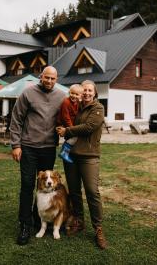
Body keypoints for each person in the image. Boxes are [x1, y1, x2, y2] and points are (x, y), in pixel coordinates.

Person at [10, 66, 66, 246]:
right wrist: (16, 145)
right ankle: (25, 225)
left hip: (48, 148)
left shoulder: (60, 96)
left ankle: (37, 218)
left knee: (44, 186)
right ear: (41, 77)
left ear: (57, 79)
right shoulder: (28, 93)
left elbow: (66, 118)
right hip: (28, 147)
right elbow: (16, 119)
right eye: (46, 77)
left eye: (53, 78)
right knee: (27, 185)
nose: (49, 81)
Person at [56, 80, 107, 249]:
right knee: (75, 191)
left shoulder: (97, 108)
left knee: (92, 192)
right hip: (71, 156)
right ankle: (79, 220)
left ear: (95, 93)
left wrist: (67, 131)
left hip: (89, 156)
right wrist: (60, 127)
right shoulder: (75, 105)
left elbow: (89, 127)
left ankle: (98, 228)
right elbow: (65, 118)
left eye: (89, 90)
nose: (86, 93)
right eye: (84, 90)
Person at [57, 84, 83, 163]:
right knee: (74, 137)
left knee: (75, 139)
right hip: (65, 124)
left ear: (80, 96)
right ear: (69, 92)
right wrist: (72, 129)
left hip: (71, 125)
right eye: (72, 93)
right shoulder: (66, 102)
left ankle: (67, 152)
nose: (74, 96)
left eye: (76, 94)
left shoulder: (77, 103)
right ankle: (64, 151)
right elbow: (66, 117)